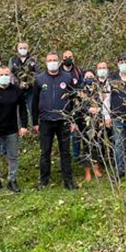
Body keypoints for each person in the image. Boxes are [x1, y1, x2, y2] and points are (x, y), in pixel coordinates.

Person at [31, 51, 79, 189]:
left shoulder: (67, 77)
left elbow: (74, 100)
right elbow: (34, 102)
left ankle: (68, 181)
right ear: (46, 62)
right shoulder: (39, 79)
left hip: (63, 120)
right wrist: (35, 122)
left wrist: (73, 120)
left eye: (54, 60)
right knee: (45, 152)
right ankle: (44, 181)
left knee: (65, 152)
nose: (52, 62)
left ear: (59, 62)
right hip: (45, 121)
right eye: (49, 60)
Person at [0, 66, 29, 192]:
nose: (4, 77)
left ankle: (12, 180)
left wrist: (24, 125)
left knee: (13, 156)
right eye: (1, 74)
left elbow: (23, 109)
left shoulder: (16, 91)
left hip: (12, 129)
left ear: (10, 76)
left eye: (6, 74)